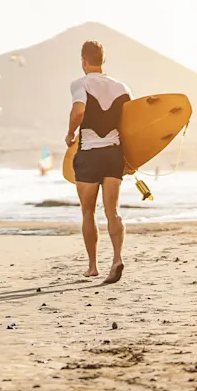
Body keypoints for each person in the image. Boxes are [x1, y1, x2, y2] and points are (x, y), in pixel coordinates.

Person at [65, 40, 132, 284]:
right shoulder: (121, 87)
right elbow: (131, 125)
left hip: (90, 154)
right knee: (113, 210)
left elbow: (79, 112)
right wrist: (131, 157)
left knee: (88, 211)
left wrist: (70, 132)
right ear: (103, 61)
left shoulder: (80, 83)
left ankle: (93, 266)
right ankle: (116, 258)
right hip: (114, 153)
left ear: (83, 61)